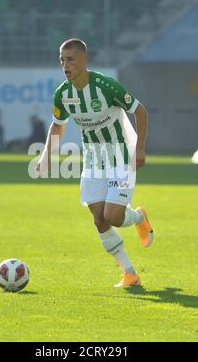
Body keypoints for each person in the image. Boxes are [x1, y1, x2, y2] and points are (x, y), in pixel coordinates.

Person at [35, 38, 153, 288]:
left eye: (70, 59)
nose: (65, 65)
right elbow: (58, 125)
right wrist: (47, 155)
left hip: (120, 155)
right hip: (93, 160)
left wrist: (140, 147)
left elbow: (139, 110)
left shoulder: (104, 86)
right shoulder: (63, 93)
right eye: (61, 60)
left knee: (113, 216)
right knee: (99, 219)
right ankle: (130, 273)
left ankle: (138, 218)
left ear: (84, 61)